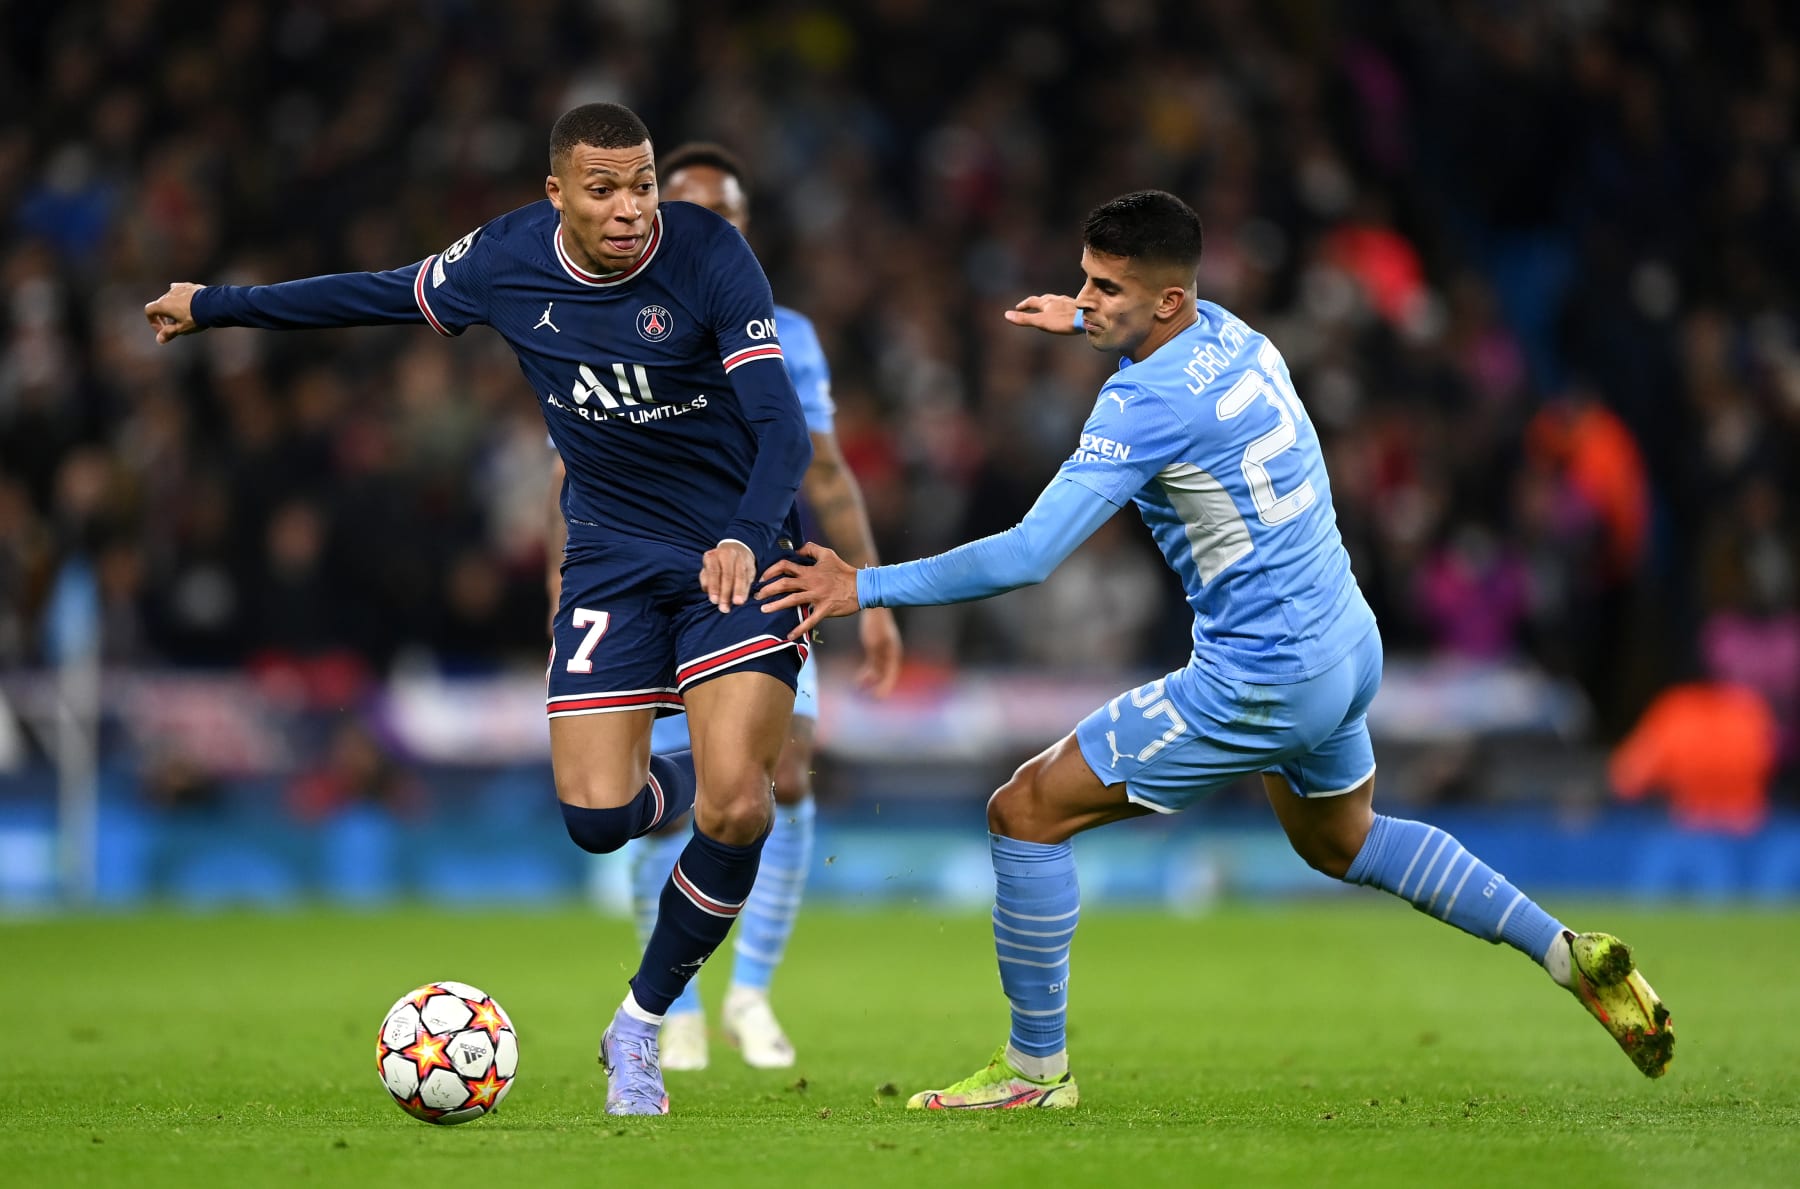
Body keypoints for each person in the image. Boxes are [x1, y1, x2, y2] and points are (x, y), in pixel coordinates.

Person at [758, 191, 1674, 1109]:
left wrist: (862, 585)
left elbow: (1032, 553)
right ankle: (1564, 952)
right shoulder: (1236, 332)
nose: (1086, 298)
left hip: (1264, 674)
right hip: (1345, 644)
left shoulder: (1143, 402)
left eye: (1105, 287)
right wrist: (1079, 315)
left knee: (1024, 810)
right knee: (1343, 839)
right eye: (1084, 278)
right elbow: (1145, 331)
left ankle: (1035, 1073)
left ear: (1166, 302)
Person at [146, 103, 815, 1117]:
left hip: (740, 551)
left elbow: (782, 431)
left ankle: (638, 1025)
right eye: (605, 190)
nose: (633, 208)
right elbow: (370, 296)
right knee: (598, 821)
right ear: (557, 194)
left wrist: (747, 536)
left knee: (738, 806)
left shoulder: (712, 254)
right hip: (612, 559)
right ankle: (694, 773)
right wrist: (219, 304)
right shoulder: (503, 260)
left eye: (641, 184)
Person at [545, 142, 903, 1071]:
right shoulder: (612, 309)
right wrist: (564, 596)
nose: (715, 225)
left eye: (730, 212)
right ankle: (682, 1004)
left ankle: (750, 994)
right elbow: (572, 470)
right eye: (695, 205)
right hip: (638, 580)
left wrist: (869, 589)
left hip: (757, 582)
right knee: (648, 791)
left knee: (776, 778)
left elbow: (822, 465)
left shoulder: (787, 332)